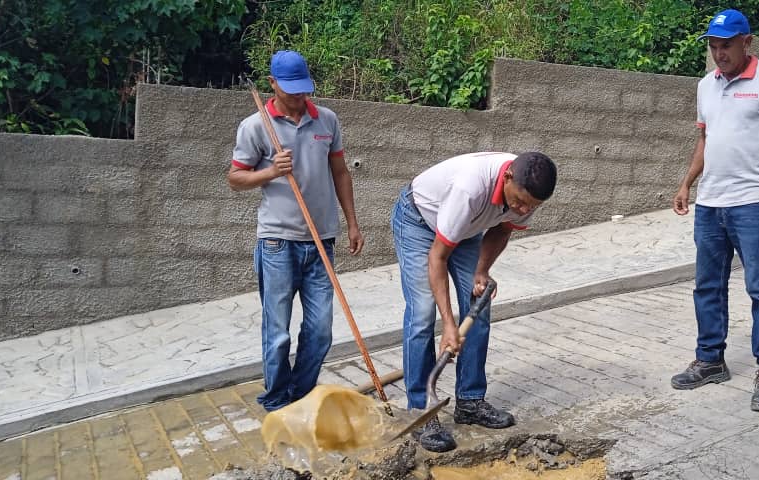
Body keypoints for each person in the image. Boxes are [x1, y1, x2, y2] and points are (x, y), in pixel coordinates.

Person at [669, 9, 759, 412]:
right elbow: (705, 141)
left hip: (753, 202)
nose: (718, 53)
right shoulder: (705, 86)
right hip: (710, 204)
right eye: (713, 45)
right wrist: (686, 183)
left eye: (725, 45)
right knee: (707, 286)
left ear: (747, 41)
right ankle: (710, 359)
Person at [391, 151, 557, 452]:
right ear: (506, 177)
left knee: (478, 305)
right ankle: (420, 410)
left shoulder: (527, 195)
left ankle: (469, 401)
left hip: (466, 229)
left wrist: (482, 270)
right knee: (422, 313)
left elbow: (503, 228)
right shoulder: (470, 187)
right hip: (418, 220)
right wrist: (449, 326)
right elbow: (437, 257)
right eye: (519, 200)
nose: (522, 208)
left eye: (530, 206)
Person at [227, 50, 364, 412]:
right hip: (277, 242)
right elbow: (235, 178)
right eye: (290, 91)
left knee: (320, 331)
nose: (298, 98)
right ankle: (275, 402)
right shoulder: (255, 126)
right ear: (272, 84)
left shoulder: (327, 121)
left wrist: (351, 222)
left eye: (303, 90)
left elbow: (340, 173)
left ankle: (300, 397)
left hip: (322, 241)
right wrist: (270, 171)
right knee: (278, 333)